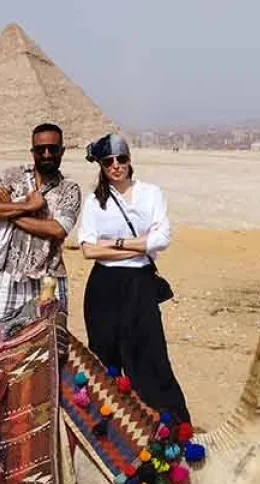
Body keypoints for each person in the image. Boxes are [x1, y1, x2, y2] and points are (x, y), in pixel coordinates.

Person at [77, 133, 191, 423]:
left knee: (150, 358)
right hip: (104, 287)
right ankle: (110, 429)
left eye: (122, 159)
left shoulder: (150, 193)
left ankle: (167, 430)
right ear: (101, 166)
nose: (116, 166)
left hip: (139, 286)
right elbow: (89, 249)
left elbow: (161, 239)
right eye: (108, 161)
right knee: (105, 359)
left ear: (130, 160)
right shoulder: (94, 201)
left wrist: (114, 245)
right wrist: (136, 244)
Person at [0, 123, 81, 322]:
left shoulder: (69, 189)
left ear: (62, 151)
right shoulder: (12, 177)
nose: (47, 154)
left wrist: (8, 211)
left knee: (52, 346)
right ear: (32, 151)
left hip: (50, 278)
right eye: (40, 149)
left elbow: (57, 230)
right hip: (9, 276)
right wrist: (27, 207)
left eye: (53, 149)